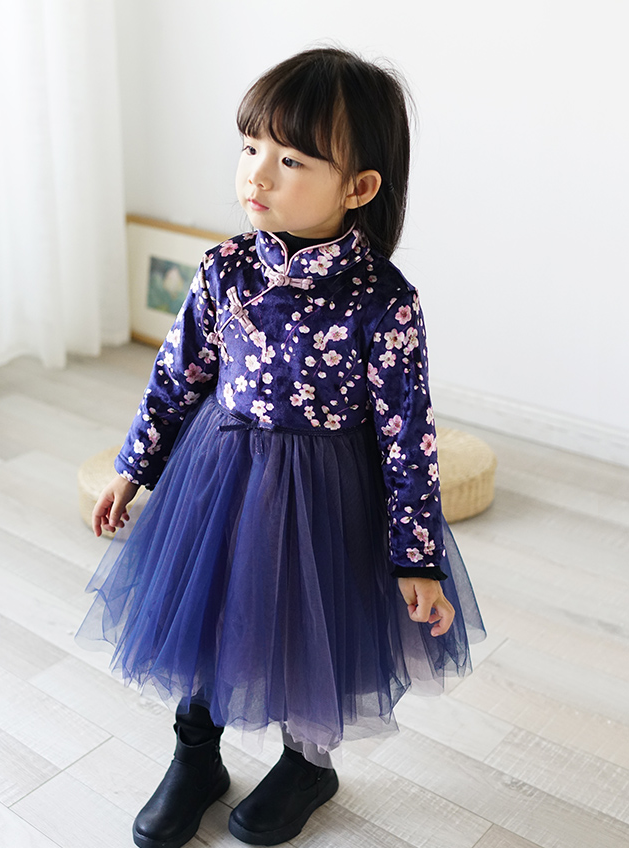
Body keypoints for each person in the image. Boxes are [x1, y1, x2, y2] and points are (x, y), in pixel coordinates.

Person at [76, 46, 485, 848]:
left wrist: (417, 558)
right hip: (221, 476)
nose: (256, 174)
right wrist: (133, 466)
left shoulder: (383, 302)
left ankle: (307, 764)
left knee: (310, 632)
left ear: (358, 188)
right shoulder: (225, 268)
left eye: (291, 159)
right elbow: (177, 375)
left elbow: (408, 436)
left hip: (330, 493)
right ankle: (195, 758)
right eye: (250, 147)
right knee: (205, 618)